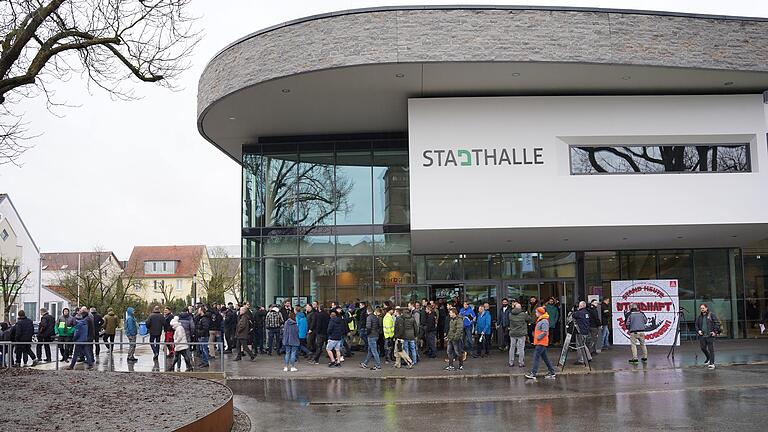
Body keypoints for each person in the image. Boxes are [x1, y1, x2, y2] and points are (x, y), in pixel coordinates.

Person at [525, 307, 557, 380]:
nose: (535, 314)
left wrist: (538, 337)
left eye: (536, 312)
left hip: (541, 342)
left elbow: (545, 332)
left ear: (540, 313)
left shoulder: (544, 321)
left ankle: (533, 373)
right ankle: (552, 372)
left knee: (536, 357)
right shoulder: (542, 320)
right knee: (545, 358)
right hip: (541, 342)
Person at [695, 303, 721, 369]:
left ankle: (712, 363)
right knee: (703, 348)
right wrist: (698, 331)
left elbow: (717, 323)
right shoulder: (699, 317)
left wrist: (715, 332)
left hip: (710, 335)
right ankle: (708, 357)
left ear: (706, 308)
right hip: (702, 336)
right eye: (701, 308)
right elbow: (696, 326)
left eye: (703, 308)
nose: (702, 309)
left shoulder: (711, 315)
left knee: (711, 349)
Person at [508, 300, 531, 368]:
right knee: (521, 348)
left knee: (512, 348)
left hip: (513, 333)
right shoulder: (523, 314)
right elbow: (529, 319)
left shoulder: (510, 314)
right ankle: (521, 363)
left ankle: (511, 362)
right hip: (521, 333)